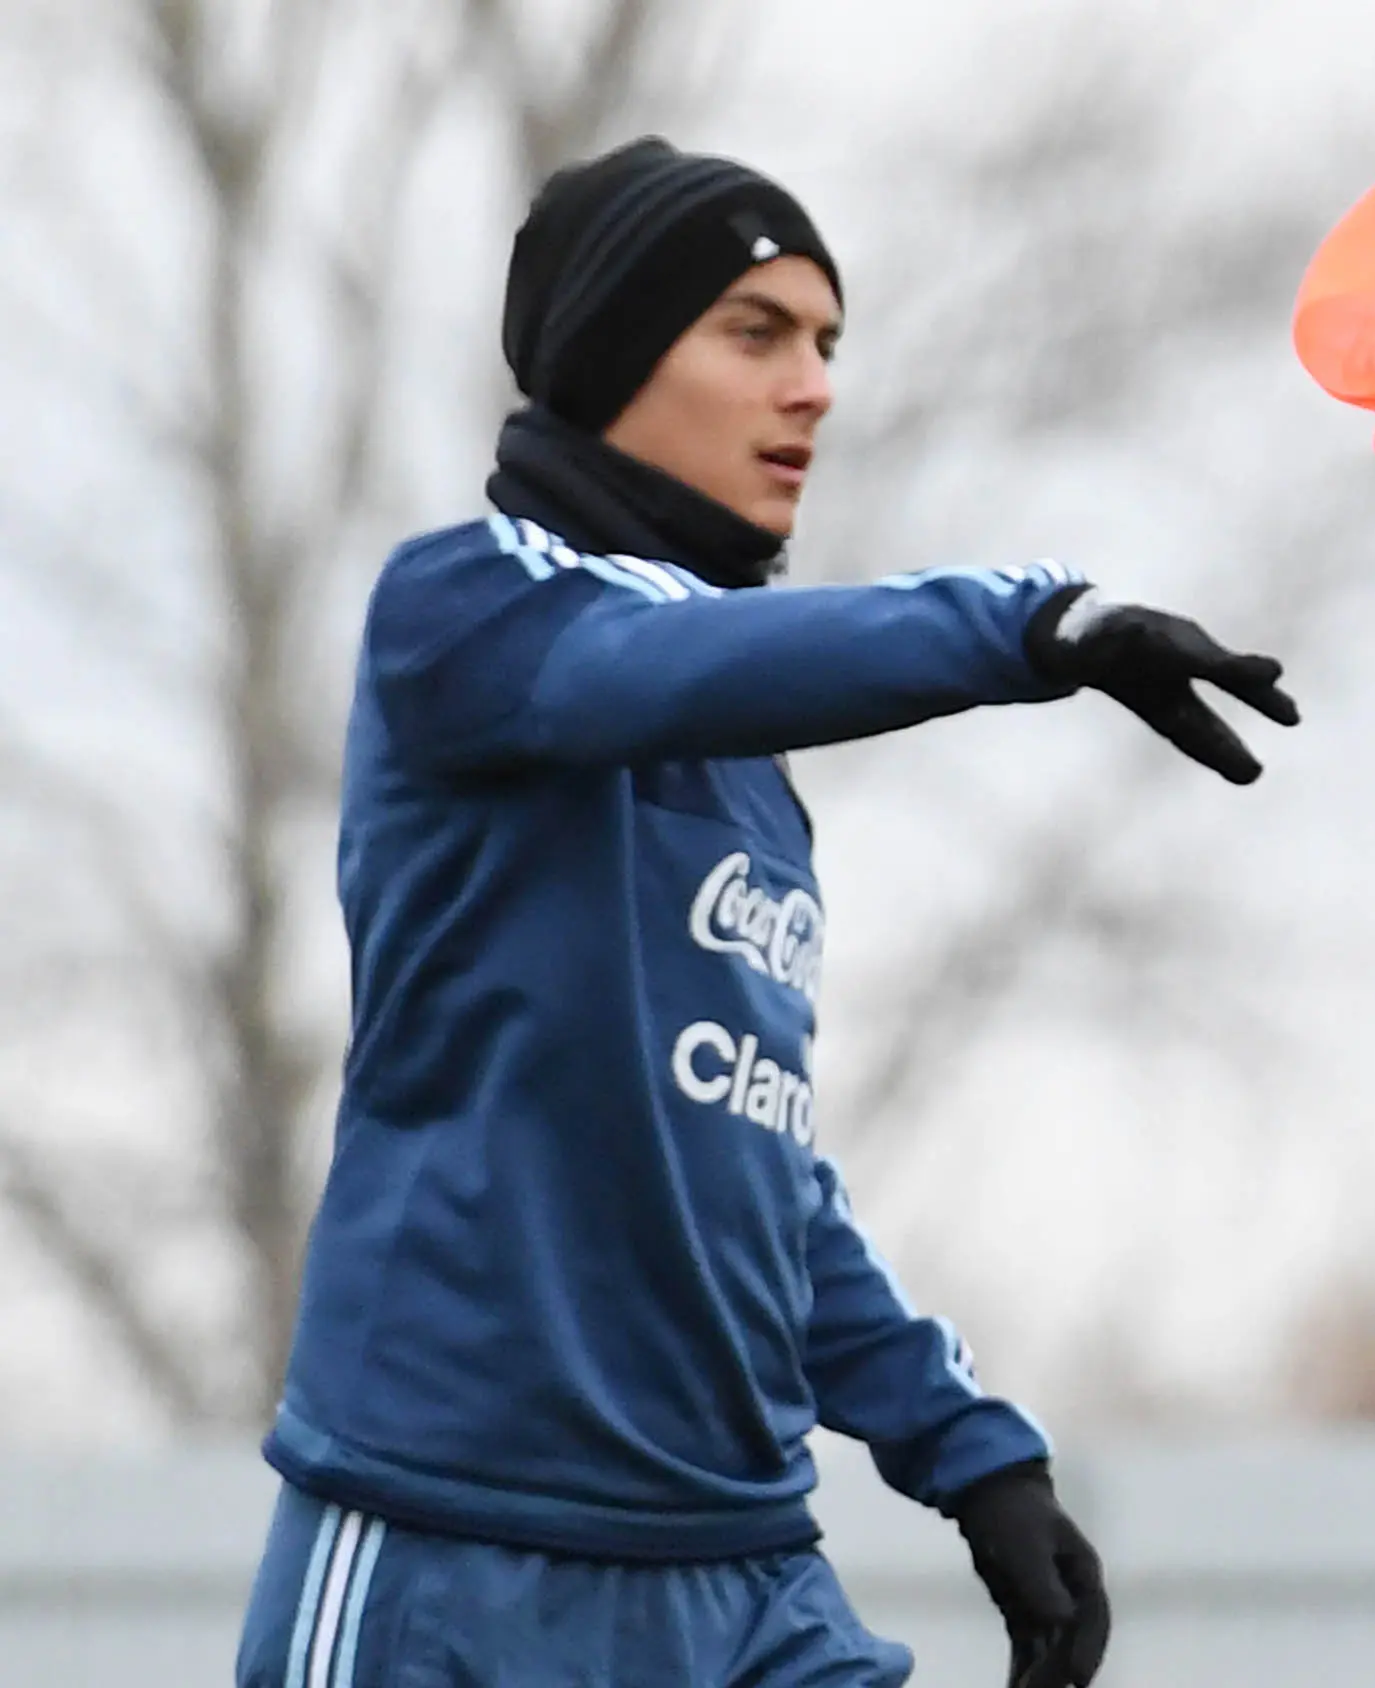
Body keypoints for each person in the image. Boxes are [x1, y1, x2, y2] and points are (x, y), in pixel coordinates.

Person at [235, 137, 1295, 1688]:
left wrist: (971, 1452)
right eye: (757, 332)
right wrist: (1037, 625)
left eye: (829, 344)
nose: (814, 387)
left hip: (741, 1580)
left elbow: (750, 1165)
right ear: (608, 357)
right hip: (453, 1565)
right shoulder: (463, 613)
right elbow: (653, 661)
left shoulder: (747, 762)